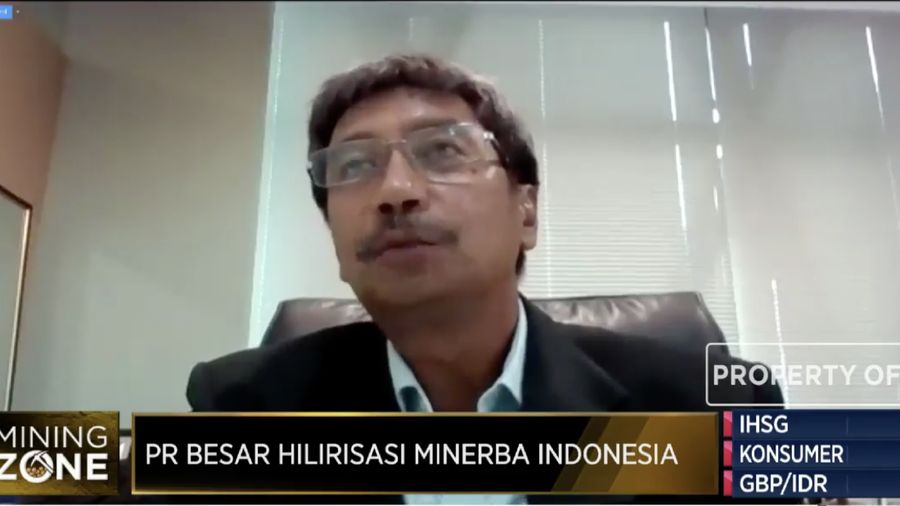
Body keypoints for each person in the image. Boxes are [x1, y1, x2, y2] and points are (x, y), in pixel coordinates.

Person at [185, 54, 784, 504]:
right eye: (355, 165)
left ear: (527, 212)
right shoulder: (242, 408)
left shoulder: (711, 409)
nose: (396, 191)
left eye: (443, 151)